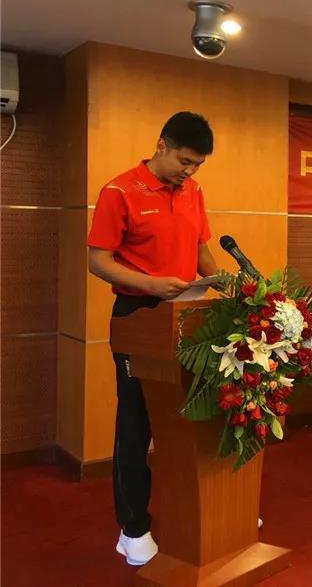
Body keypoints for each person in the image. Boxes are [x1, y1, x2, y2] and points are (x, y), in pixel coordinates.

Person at [87, 112, 217, 566]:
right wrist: (151, 285)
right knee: (136, 421)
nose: (190, 171)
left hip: (186, 315)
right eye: (185, 161)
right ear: (162, 145)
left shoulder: (193, 191)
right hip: (137, 315)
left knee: (188, 416)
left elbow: (201, 250)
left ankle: (200, 509)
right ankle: (132, 527)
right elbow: (98, 261)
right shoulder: (120, 191)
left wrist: (224, 283)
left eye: (198, 165)